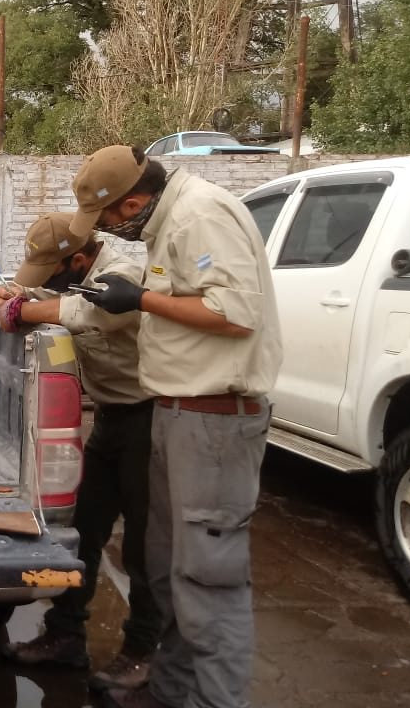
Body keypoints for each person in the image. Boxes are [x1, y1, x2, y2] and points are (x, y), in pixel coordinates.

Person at [67, 145, 282, 708]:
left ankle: (214, 699)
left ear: (132, 202)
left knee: (209, 580)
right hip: (178, 413)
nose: (110, 231)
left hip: (213, 420)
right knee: (168, 568)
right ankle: (170, 689)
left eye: (109, 218)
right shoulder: (172, 219)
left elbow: (235, 315)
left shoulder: (199, 215)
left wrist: (142, 298)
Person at [0, 213, 161, 692]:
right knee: (85, 531)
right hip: (112, 418)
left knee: (145, 545)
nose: (48, 282)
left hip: (149, 419)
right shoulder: (77, 278)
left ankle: (142, 653)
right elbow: (55, 300)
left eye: (53, 272)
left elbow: (96, 311)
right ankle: (65, 638)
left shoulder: (121, 275)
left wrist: (26, 310)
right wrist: (15, 297)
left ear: (81, 259)